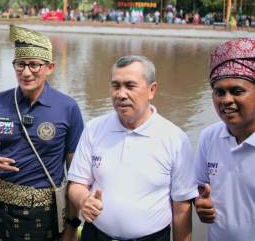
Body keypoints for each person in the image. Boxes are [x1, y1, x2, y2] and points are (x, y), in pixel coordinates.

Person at [68, 55, 197, 241]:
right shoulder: (94, 129)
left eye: (130, 86)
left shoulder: (174, 138)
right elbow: (77, 184)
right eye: (115, 85)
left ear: (152, 90)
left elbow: (181, 208)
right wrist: (84, 201)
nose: (120, 94)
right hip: (96, 235)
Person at [0, 25, 84, 241]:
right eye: (20, 64)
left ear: (50, 67)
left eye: (34, 65)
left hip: (43, 215)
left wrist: (72, 223)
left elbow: (76, 172)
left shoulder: (67, 108)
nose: (26, 72)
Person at [194, 38, 255, 241]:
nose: (226, 100)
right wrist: (199, 203)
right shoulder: (209, 137)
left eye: (237, 91)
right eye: (219, 92)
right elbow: (200, 186)